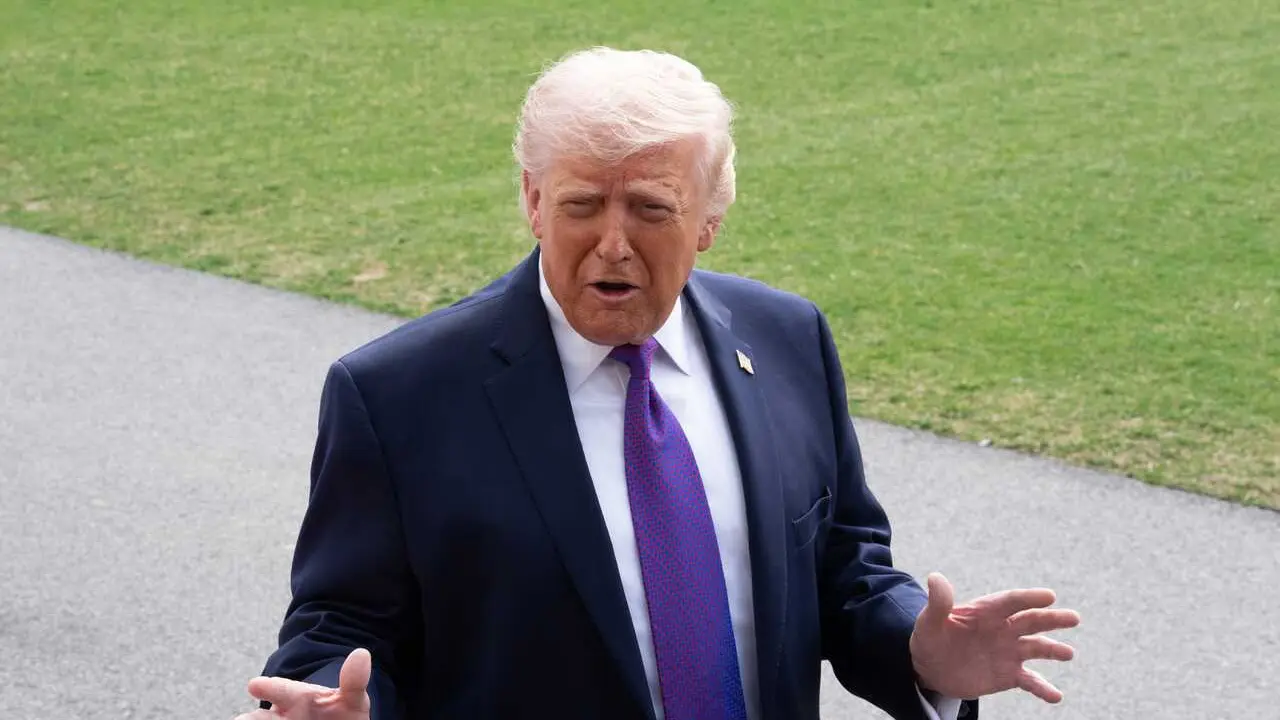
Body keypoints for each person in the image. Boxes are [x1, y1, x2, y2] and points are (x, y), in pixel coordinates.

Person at [234, 47, 1080, 720]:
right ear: (531, 201)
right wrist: (333, 705)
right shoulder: (397, 396)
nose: (611, 242)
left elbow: (844, 571)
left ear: (710, 218)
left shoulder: (789, 340)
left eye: (649, 207)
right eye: (579, 205)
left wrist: (922, 654)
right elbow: (338, 628)